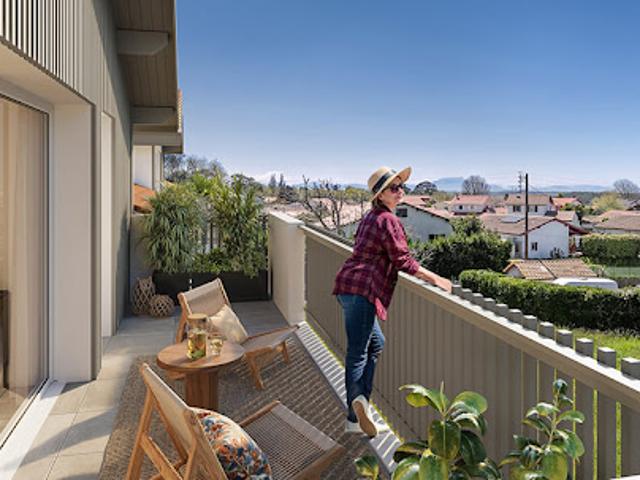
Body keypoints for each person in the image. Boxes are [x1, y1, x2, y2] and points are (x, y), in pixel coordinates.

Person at [333, 166, 452, 437]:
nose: (400, 192)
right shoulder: (388, 220)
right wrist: (436, 279)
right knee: (358, 352)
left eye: (401, 186)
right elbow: (403, 261)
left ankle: (358, 409)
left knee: (376, 343)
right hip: (363, 291)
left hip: (347, 287)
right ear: (380, 195)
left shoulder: (370, 217)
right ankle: (355, 410)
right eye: (394, 188)